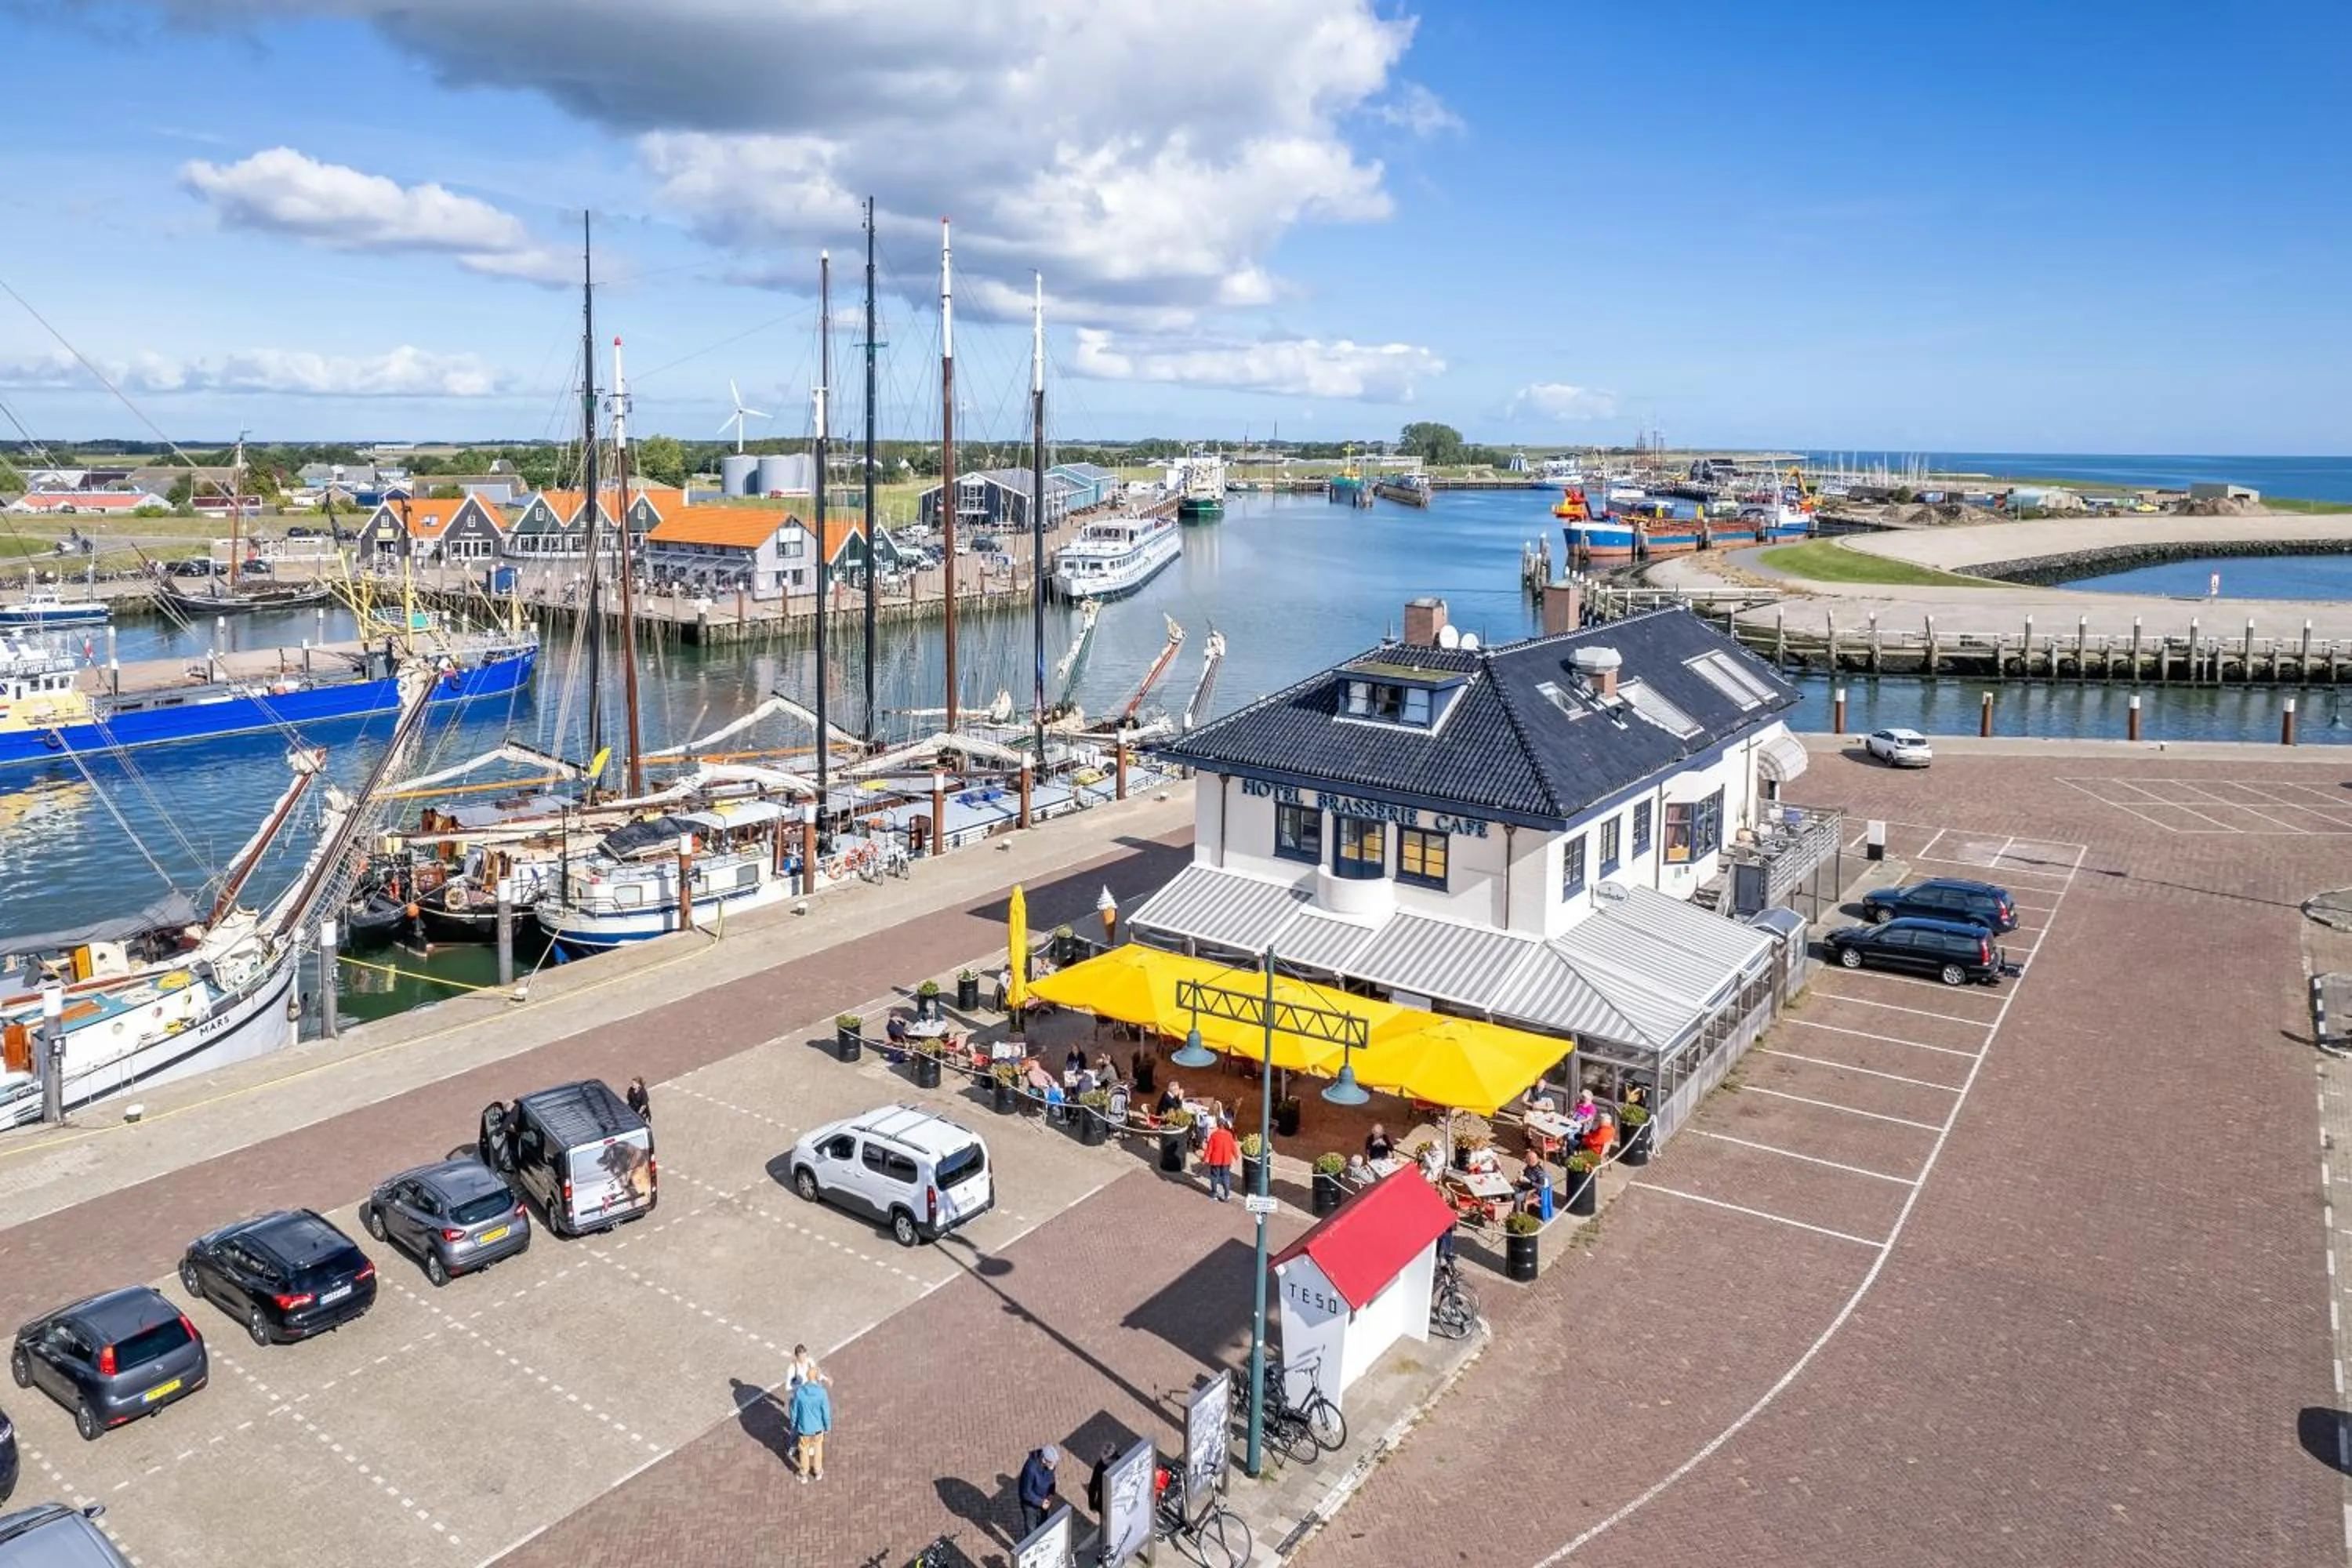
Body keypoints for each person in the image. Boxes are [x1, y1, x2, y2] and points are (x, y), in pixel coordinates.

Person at [788, 1367, 832, 1483]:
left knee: (804, 1451)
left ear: (807, 1377)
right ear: (817, 1377)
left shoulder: (799, 1393)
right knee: (818, 1449)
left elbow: (794, 1411)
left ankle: (803, 1474)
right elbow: (826, 1412)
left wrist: (793, 1424)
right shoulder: (822, 1392)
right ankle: (818, 1472)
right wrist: (827, 1426)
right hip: (818, 1428)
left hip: (804, 1429)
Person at [1018, 1443, 1060, 1537]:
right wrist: (1040, 1502)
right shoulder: (1030, 1469)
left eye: (1054, 1464)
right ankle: (1031, 1547)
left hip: (1044, 1500)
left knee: (1044, 1524)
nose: (1053, 1466)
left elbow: (1051, 1480)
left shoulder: (1050, 1465)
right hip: (1030, 1504)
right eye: (1052, 1463)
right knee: (1031, 1528)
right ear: (1044, 1460)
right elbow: (1026, 1492)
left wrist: (1051, 1494)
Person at [1201, 1116, 1239, 1202]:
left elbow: (1209, 1148)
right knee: (1226, 1177)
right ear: (1224, 1125)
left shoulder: (1214, 1135)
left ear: (1218, 1125)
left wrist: (1205, 1158)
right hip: (1226, 1160)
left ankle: (1214, 1194)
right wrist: (1236, 1156)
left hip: (1215, 1160)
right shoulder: (1229, 1135)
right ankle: (1227, 1195)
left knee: (1214, 1177)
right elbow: (1233, 1147)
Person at [1085, 1441, 1120, 1519]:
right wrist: (1092, 1505)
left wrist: (1092, 1505)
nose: (1102, 1459)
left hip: (1110, 1501)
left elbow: (1093, 1487)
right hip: (1110, 1501)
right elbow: (1092, 1487)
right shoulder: (1119, 1461)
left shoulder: (1100, 1467)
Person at [1516, 1156, 1555, 1221]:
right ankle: (1511, 1207)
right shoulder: (1529, 1166)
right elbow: (1525, 1172)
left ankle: (1519, 1213)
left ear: (1531, 1161)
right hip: (1524, 1186)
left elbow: (1542, 1186)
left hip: (1532, 1191)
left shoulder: (1539, 1172)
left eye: (1527, 1161)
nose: (1526, 1162)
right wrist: (1522, 1173)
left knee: (1517, 1197)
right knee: (1512, 1189)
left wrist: (1529, 1182)